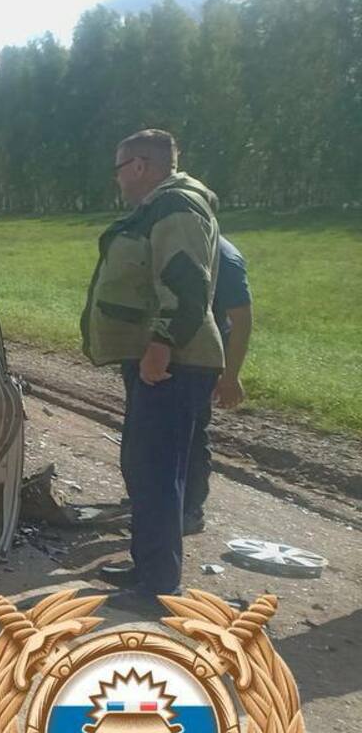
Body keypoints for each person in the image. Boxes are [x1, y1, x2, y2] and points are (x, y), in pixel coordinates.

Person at [81, 129, 223, 597]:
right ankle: (147, 567)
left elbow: (186, 284)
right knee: (143, 466)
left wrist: (161, 345)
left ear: (140, 166)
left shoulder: (177, 206)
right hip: (159, 358)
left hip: (174, 360)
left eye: (120, 168)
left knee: (157, 471)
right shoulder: (158, 206)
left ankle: (158, 586)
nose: (118, 179)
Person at [182, 235, 253, 534]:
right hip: (174, 352)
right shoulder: (182, 239)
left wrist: (230, 376)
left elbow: (242, 318)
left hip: (203, 357)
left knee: (191, 433)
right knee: (157, 432)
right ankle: (158, 499)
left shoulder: (224, 256)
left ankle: (189, 510)